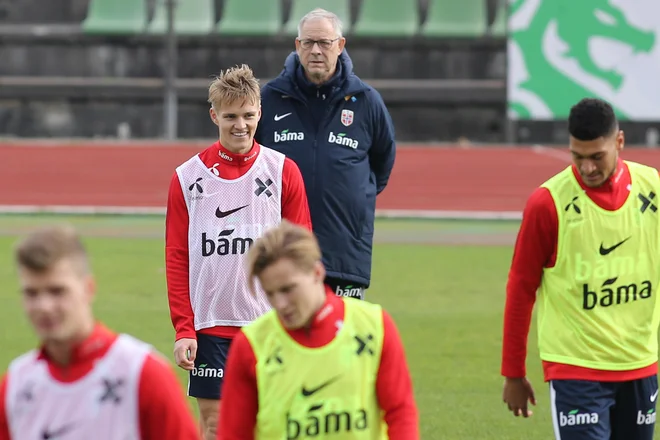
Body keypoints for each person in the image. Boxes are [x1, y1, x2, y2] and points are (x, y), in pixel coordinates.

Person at [165, 64, 313, 439]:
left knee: (273, 424)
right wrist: (185, 328)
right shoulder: (187, 178)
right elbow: (177, 257)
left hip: (270, 326)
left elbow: (302, 258)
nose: (240, 125)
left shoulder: (283, 172)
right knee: (215, 427)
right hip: (211, 328)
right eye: (230, 116)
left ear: (260, 113)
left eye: (248, 115)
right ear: (214, 115)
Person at [501, 97, 660, 439]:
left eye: (596, 157)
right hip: (576, 371)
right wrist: (513, 372)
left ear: (619, 142)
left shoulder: (653, 190)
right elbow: (520, 288)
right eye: (578, 156)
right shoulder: (548, 204)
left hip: (640, 366)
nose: (587, 168)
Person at [217, 220, 418, 440]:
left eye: (288, 289)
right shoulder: (251, 345)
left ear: (317, 272)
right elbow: (233, 434)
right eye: (270, 293)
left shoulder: (374, 325)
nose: (280, 303)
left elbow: (399, 412)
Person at [0, 225, 200, 440]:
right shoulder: (16, 386)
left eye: (57, 291)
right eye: (31, 293)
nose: (44, 306)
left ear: (88, 289)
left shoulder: (142, 373)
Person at [255, 8, 396, 301]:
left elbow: (382, 164)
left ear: (340, 45)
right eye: (308, 43)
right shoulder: (269, 99)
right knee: (287, 341)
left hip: (344, 253)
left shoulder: (367, 101)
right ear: (297, 46)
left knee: (341, 341)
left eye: (324, 43)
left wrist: (352, 198)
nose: (316, 50)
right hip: (284, 252)